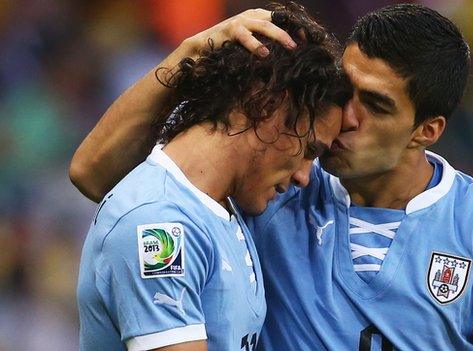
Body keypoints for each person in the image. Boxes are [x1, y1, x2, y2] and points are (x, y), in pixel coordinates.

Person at [70, 3, 473, 351]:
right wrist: (191, 52)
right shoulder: (275, 176)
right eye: (348, 90)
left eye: (377, 105)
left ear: (425, 131)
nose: (346, 118)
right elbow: (97, 176)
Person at [74, 3, 345, 350]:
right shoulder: (158, 223)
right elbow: (89, 173)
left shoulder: (222, 200)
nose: (306, 176)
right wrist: (191, 49)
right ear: (267, 106)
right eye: (309, 150)